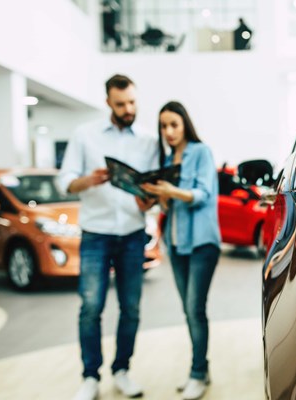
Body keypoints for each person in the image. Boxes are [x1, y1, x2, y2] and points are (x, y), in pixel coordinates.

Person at [57, 74, 158, 400]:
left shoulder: (148, 140)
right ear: (108, 103)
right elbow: (65, 181)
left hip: (132, 233)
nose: (128, 109)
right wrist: (88, 180)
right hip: (95, 234)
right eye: (120, 104)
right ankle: (90, 376)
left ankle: (122, 370)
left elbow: (152, 187)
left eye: (132, 102)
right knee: (90, 307)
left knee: (131, 309)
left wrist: (149, 199)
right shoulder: (84, 135)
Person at [141, 101, 220, 400]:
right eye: (163, 126)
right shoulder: (166, 158)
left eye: (174, 124)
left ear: (185, 123)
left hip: (202, 243)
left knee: (194, 309)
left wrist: (169, 191)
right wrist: (156, 197)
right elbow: (169, 206)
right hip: (175, 244)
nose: (169, 131)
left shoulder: (200, 152)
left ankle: (198, 373)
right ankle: (202, 368)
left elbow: (203, 194)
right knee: (189, 312)